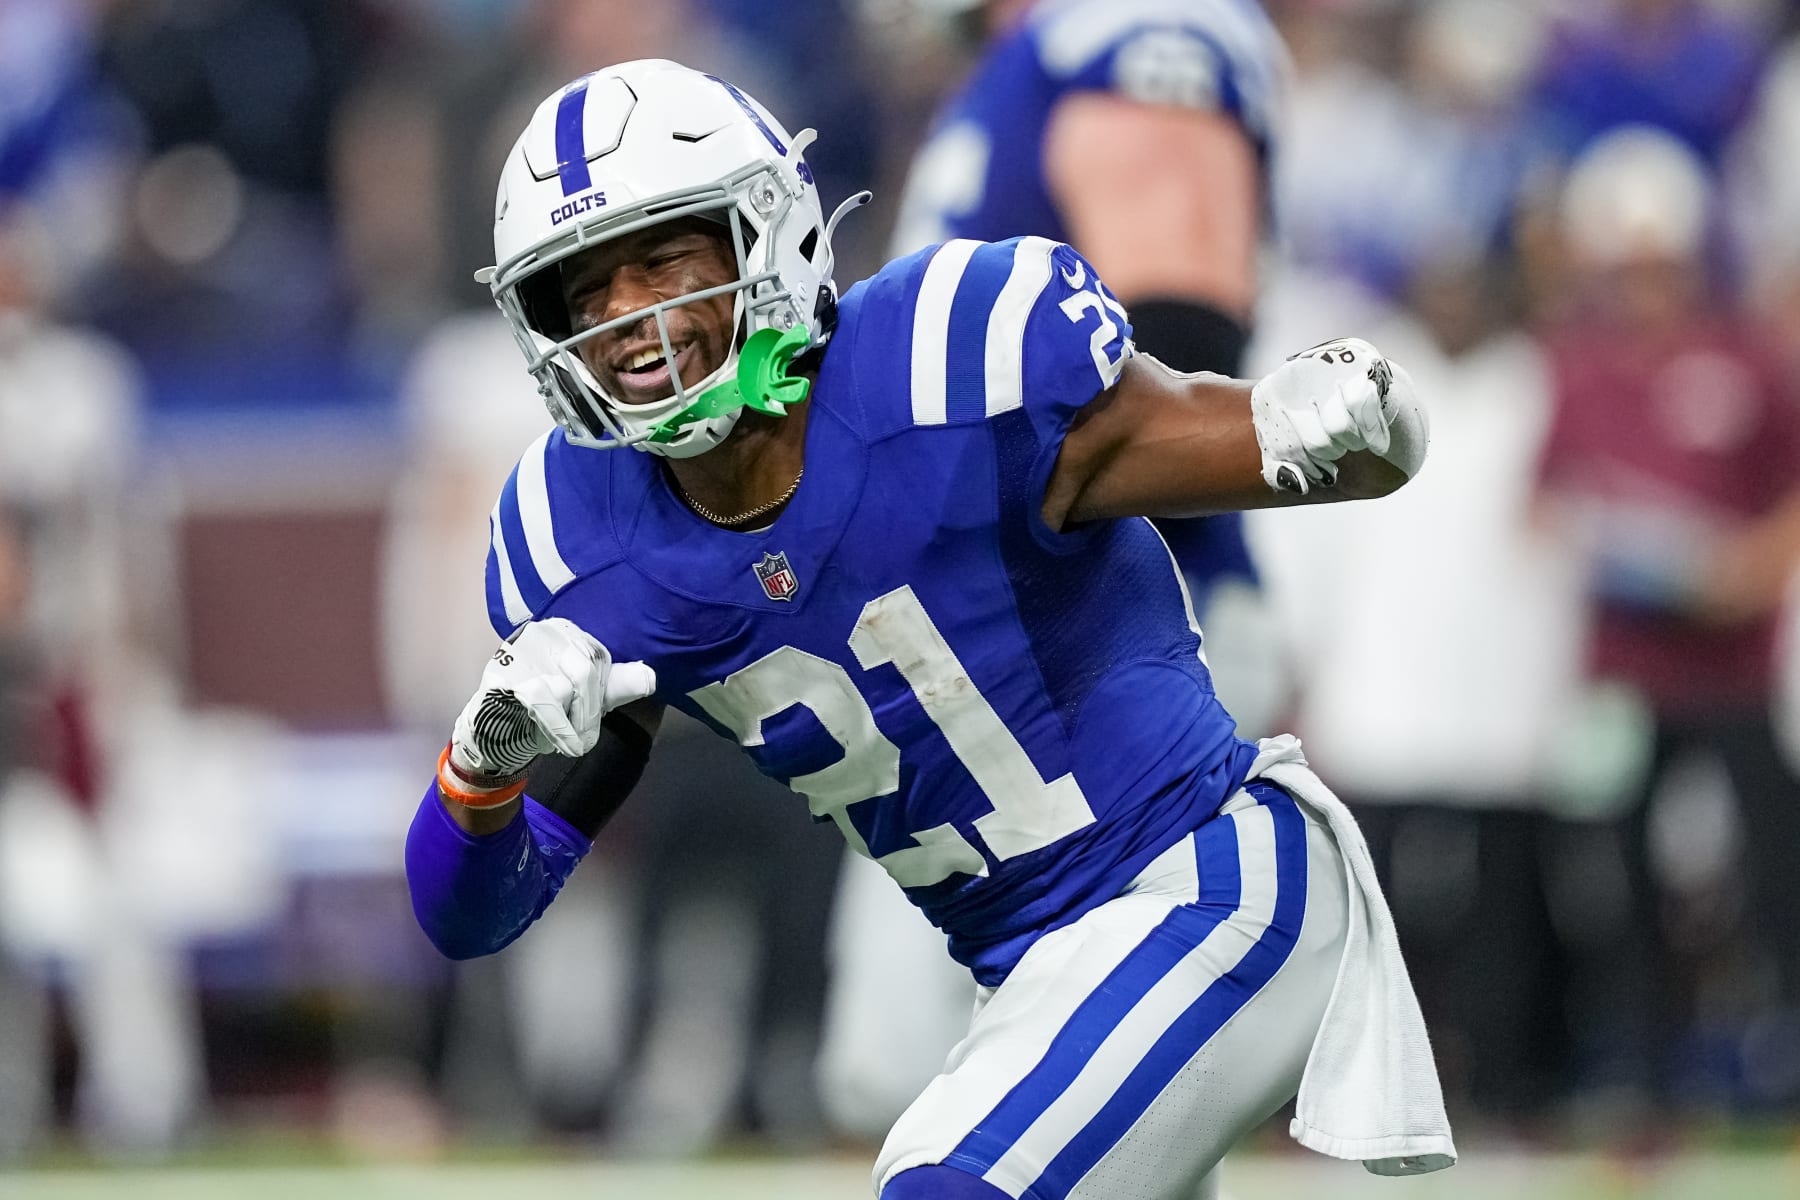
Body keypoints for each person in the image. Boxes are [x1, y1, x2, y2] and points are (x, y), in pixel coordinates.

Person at [404, 59, 1450, 1198]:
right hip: (1025, 973)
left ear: (766, 234)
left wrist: (1345, 414)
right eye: (582, 289)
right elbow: (470, 915)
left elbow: (1318, 448)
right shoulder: (580, 541)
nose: (627, 316)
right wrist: (479, 771)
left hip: (1208, 880)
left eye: (661, 258)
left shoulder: (950, 358)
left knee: (944, 1184)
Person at [823, 0, 1294, 1133]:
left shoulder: (1126, 30)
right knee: (911, 1068)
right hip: (967, 624)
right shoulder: (1017, 65)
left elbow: (1182, 325)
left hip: (1087, 629)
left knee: (1038, 1074)